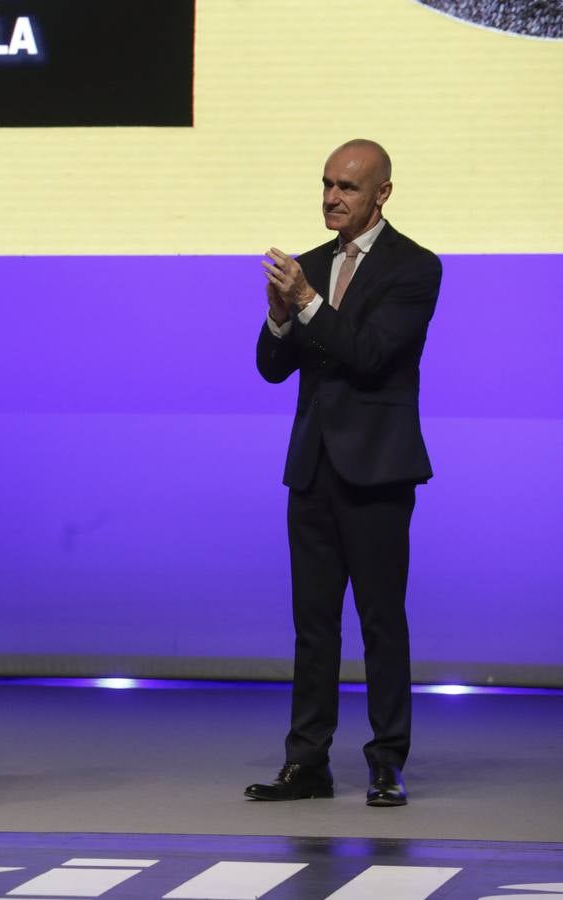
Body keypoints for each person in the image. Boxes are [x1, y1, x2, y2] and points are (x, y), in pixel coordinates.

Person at [248, 139, 441, 807]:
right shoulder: (308, 265)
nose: (332, 197)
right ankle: (307, 763)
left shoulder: (416, 269)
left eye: (348, 188)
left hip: (379, 472)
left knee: (381, 621)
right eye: (327, 184)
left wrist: (304, 306)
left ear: (381, 193)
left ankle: (386, 761)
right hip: (312, 469)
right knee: (313, 625)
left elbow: (369, 354)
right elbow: (273, 368)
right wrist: (279, 319)